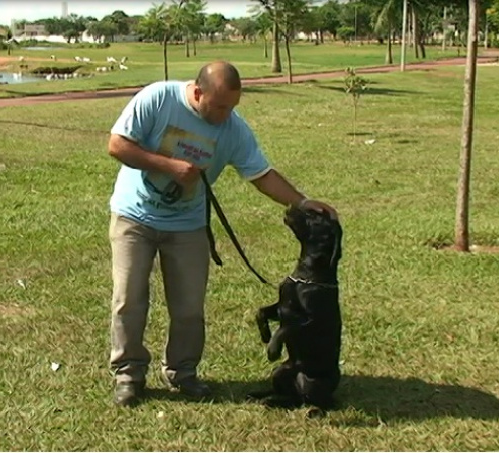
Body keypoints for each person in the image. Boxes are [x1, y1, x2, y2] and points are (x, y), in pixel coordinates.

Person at [107, 60, 338, 407]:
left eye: (232, 106)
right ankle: (128, 375)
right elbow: (118, 145)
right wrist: (168, 165)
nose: (225, 114)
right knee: (129, 300)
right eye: (219, 106)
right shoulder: (158, 99)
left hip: (187, 224)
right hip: (134, 216)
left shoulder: (232, 128)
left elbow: (261, 174)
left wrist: (303, 202)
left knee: (188, 308)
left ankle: (182, 373)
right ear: (198, 92)